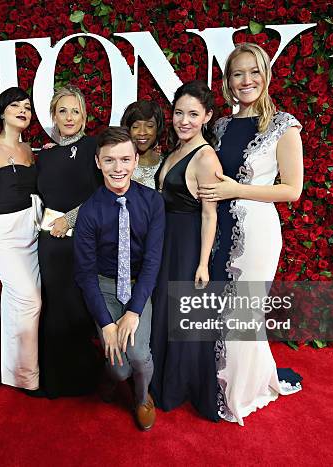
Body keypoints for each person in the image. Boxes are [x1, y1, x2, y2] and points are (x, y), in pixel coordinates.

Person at [197, 42, 304, 425]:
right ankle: (220, 382)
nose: (246, 80)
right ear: (227, 82)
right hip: (218, 226)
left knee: (243, 312)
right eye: (237, 73)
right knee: (219, 309)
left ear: (265, 75)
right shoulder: (220, 126)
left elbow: (292, 190)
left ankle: (240, 393)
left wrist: (236, 190)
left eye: (253, 72)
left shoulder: (284, 126)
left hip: (256, 230)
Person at [74, 127, 165, 430]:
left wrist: (135, 311)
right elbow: (85, 275)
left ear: (136, 160)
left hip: (139, 287)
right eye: (110, 160)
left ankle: (142, 399)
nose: (118, 168)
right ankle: (109, 379)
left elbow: (153, 261)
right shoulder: (89, 211)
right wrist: (107, 323)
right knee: (120, 368)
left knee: (139, 355)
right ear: (98, 163)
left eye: (125, 159)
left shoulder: (152, 202)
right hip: (105, 288)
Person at [150, 80, 224, 421]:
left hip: (187, 242)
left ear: (207, 116)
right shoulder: (175, 149)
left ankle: (179, 386)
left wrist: (203, 264)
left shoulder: (206, 157)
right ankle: (160, 381)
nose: (184, 120)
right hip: (165, 240)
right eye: (179, 112)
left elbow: (210, 214)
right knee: (164, 311)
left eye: (193, 114)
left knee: (183, 315)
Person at [36, 85, 103, 398]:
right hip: (51, 242)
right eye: (62, 110)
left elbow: (102, 193)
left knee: (81, 307)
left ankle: (87, 381)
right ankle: (54, 381)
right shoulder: (44, 155)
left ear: (84, 115)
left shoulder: (94, 147)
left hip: (85, 240)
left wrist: (70, 219)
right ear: (53, 115)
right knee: (55, 307)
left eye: (75, 110)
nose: (69, 116)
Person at [0, 87, 42, 391]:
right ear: (1, 112)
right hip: (4, 235)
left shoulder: (30, 151)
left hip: (32, 230)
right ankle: (25, 373)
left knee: (17, 302)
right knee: (30, 299)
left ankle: (18, 374)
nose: (23, 111)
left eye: (27, 106)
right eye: (15, 105)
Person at [120, 100, 165, 189]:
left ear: (158, 128)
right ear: (128, 129)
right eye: (135, 127)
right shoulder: (119, 166)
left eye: (149, 126)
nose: (142, 132)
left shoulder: (166, 164)